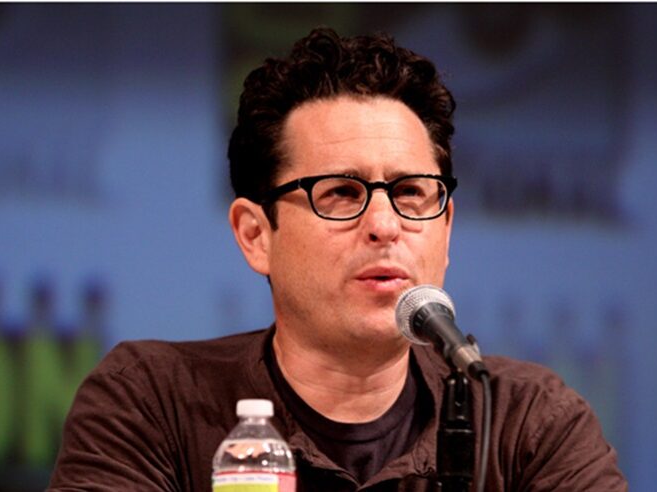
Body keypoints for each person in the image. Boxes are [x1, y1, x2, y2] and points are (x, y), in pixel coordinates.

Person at [48, 27, 627, 491]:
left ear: (445, 231)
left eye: (410, 194)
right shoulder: (155, 402)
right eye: (341, 194)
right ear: (256, 235)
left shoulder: (527, 422)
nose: (384, 225)